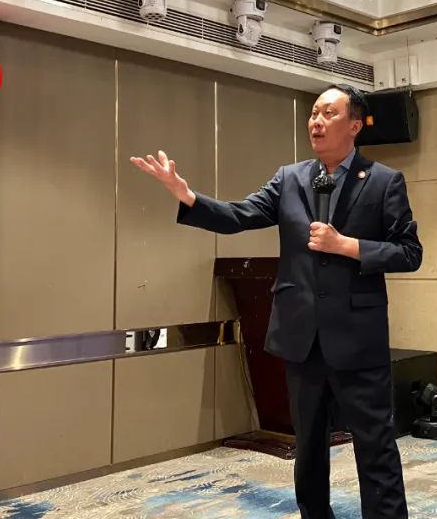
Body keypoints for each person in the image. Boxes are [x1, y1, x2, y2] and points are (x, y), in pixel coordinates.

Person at [130, 84, 422, 519]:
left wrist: (347, 245)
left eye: (328, 113)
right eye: (314, 113)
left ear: (355, 125)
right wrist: (187, 197)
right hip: (301, 336)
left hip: (357, 339)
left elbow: (409, 252)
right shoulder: (290, 178)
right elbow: (239, 215)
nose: (316, 121)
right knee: (308, 447)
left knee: (374, 445)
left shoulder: (383, 181)